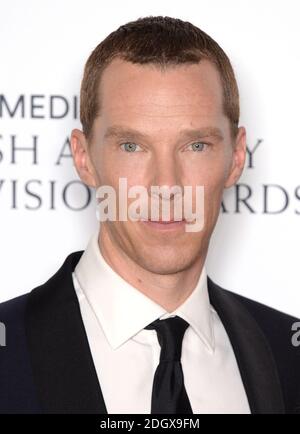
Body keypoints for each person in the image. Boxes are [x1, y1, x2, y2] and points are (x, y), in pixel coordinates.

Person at [0, 15, 299, 414]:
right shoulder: (9, 353)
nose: (166, 185)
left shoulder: (289, 356)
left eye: (196, 146)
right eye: (131, 146)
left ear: (237, 156)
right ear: (83, 157)